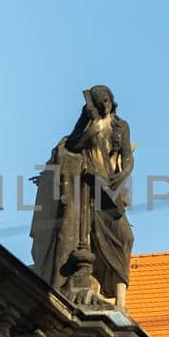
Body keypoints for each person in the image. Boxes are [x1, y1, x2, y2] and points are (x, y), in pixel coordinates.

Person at [31, 86, 134, 308]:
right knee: (89, 235)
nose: (104, 105)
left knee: (125, 237)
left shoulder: (121, 126)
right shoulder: (89, 124)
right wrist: (89, 129)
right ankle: (89, 281)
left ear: (112, 101)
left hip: (110, 192)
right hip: (90, 189)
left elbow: (127, 156)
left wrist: (123, 174)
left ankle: (121, 301)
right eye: (99, 102)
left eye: (106, 101)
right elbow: (72, 146)